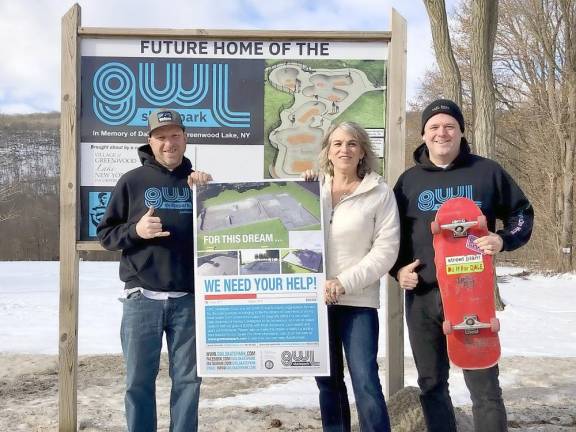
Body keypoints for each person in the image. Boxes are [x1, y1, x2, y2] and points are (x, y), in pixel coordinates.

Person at [391, 99, 534, 432]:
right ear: (423, 135)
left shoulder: (487, 172)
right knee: (432, 384)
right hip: (424, 296)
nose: (442, 133)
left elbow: (522, 214)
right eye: (434, 127)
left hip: (472, 295)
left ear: (461, 131)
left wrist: (502, 239)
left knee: (484, 387)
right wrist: (398, 270)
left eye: (449, 126)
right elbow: (390, 236)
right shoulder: (408, 182)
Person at [97, 108, 212, 432]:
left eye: (175, 135)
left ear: (185, 138)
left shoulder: (198, 184)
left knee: (189, 381)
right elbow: (106, 234)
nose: (169, 143)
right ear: (150, 141)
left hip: (188, 300)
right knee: (138, 382)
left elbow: (217, 234)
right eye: (161, 137)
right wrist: (136, 230)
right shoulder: (131, 181)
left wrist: (207, 192)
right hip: (141, 298)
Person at [307, 121, 400, 432]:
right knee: (328, 383)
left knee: (365, 381)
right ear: (327, 152)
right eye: (337, 144)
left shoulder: (378, 192)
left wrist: (343, 282)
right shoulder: (312, 190)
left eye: (351, 144)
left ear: (362, 151)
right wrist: (300, 189)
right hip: (315, 301)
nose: (344, 149)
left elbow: (385, 252)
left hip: (357, 301)